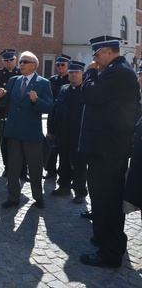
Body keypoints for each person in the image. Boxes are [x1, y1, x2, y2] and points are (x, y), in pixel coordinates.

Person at [79, 35, 141, 268]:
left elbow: (90, 95)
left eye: (96, 55)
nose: (94, 60)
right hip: (105, 148)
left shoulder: (118, 72)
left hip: (107, 149)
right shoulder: (118, 71)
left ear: (107, 52)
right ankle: (105, 240)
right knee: (102, 197)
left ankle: (110, 251)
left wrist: (90, 72)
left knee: (107, 200)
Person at [0, 51, 53, 209]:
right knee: (13, 168)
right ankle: (13, 197)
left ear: (34, 65)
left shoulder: (43, 83)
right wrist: (0, 96)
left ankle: (38, 197)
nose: (21, 64)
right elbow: (3, 104)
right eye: (21, 61)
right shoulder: (13, 81)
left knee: (35, 168)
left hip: (31, 133)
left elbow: (49, 107)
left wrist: (37, 101)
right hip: (14, 131)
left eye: (25, 62)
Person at [47, 60, 87, 203]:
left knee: (79, 166)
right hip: (62, 134)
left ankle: (80, 192)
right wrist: (51, 129)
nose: (73, 75)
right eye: (71, 72)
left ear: (83, 74)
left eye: (76, 72)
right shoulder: (63, 89)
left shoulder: (86, 91)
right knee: (63, 162)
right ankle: (64, 186)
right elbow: (55, 109)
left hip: (79, 135)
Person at [0, 49, 21, 176]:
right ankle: (7, 166)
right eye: (6, 60)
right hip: (3, 112)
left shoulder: (22, 73)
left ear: (15, 59)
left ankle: (22, 167)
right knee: (4, 141)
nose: (9, 62)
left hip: (19, 113)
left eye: (11, 59)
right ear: (2, 61)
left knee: (20, 141)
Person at [44, 54, 71, 179]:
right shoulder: (52, 80)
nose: (60, 67)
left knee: (65, 148)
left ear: (68, 66)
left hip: (66, 117)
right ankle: (51, 170)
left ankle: (65, 174)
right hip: (53, 114)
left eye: (62, 65)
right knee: (51, 144)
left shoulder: (70, 79)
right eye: (58, 65)